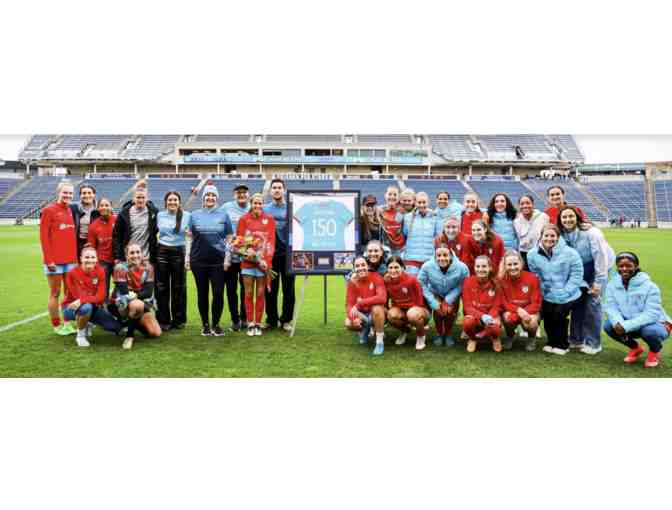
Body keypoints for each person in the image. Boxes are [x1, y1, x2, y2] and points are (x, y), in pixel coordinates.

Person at [558, 205, 615, 355]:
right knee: (577, 302)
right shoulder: (561, 234)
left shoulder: (592, 232)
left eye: (571, 216)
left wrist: (598, 282)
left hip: (598, 267)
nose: (568, 219)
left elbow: (601, 257)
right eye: (564, 217)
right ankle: (576, 339)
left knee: (592, 302)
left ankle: (593, 343)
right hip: (579, 268)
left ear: (577, 217)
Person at [604, 251, 671, 368]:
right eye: (621, 266)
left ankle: (654, 351)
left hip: (656, 324)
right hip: (630, 323)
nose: (624, 269)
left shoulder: (650, 286)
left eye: (628, 266)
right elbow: (611, 307)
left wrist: (626, 326)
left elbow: (652, 314)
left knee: (650, 332)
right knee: (609, 326)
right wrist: (618, 322)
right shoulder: (612, 285)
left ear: (636, 266)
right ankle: (636, 348)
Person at [527, 224, 584, 355]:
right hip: (547, 293)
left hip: (568, 293)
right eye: (546, 235)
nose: (549, 238)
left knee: (559, 314)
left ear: (558, 237)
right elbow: (535, 275)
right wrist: (543, 290)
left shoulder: (571, 253)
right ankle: (551, 342)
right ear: (541, 236)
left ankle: (562, 344)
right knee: (548, 315)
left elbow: (577, 274)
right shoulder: (532, 254)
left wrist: (566, 291)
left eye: (552, 236)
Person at [187, 183, 232, 337]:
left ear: (217, 198)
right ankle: (205, 324)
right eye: (208, 195)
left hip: (218, 262)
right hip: (198, 261)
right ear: (203, 198)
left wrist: (227, 258)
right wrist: (187, 258)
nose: (210, 198)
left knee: (218, 293)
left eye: (213, 195)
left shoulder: (224, 215)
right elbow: (189, 238)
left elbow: (229, 237)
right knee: (202, 294)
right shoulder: (194, 215)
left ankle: (216, 324)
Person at [62, 245, 123, 346]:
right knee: (86, 308)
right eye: (86, 257)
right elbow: (78, 296)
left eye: (93, 257)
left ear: (96, 259)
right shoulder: (72, 273)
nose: (90, 260)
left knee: (115, 327)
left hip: (90, 305)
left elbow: (101, 296)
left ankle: (87, 322)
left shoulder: (100, 271)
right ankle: (80, 335)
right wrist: (84, 300)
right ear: (81, 258)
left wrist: (82, 300)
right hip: (71, 308)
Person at [40, 180, 78, 336]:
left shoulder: (70, 210)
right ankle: (56, 325)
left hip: (71, 261)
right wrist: (49, 260)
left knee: (69, 294)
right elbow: (44, 237)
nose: (67, 195)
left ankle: (67, 323)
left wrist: (75, 259)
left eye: (70, 193)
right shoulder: (48, 210)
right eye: (65, 192)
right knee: (55, 293)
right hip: (54, 262)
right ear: (59, 193)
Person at [110, 242, 162, 350]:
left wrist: (135, 296)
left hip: (139, 301)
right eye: (132, 253)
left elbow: (148, 292)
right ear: (127, 255)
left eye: (138, 252)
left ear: (142, 254)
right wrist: (136, 297)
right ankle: (129, 336)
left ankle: (128, 322)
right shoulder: (120, 267)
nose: (135, 255)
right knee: (137, 305)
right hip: (120, 304)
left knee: (155, 332)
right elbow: (124, 292)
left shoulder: (148, 267)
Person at [238, 193, 276, 337]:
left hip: (263, 264)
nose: (257, 206)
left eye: (260, 203)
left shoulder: (269, 219)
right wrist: (248, 252)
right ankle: (250, 323)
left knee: (260, 294)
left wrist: (265, 260)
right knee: (248, 293)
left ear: (263, 204)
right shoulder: (244, 219)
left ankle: (258, 323)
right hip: (247, 264)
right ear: (251, 203)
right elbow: (240, 242)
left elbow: (271, 242)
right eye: (255, 203)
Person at [418, 245, 469, 347]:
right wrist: (433, 301)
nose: (442, 258)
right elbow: (421, 283)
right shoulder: (427, 266)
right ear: (435, 256)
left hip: (453, 292)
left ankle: (448, 333)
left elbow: (464, 283)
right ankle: (439, 333)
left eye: (445, 255)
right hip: (435, 292)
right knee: (438, 310)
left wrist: (449, 299)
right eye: (439, 255)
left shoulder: (462, 267)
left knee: (450, 311)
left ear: (451, 255)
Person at [155, 191, 190, 331]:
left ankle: (179, 319)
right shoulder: (159, 215)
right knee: (161, 288)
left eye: (175, 200)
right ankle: (163, 320)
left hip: (179, 252)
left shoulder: (187, 216)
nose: (172, 202)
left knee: (179, 287)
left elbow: (191, 236)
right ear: (165, 202)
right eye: (170, 200)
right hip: (162, 251)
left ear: (179, 202)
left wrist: (188, 257)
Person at [264, 179, 295, 332]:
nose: (277, 190)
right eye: (274, 187)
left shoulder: (291, 207)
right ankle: (271, 320)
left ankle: (286, 321)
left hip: (289, 255)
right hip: (271, 256)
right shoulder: (265, 209)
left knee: (288, 290)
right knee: (270, 289)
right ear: (270, 191)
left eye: (279, 187)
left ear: (284, 190)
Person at [497, 250, 542, 351]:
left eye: (515, 264)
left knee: (531, 322)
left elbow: (536, 304)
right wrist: (518, 311)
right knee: (507, 317)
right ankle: (510, 336)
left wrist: (523, 313)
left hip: (529, 311)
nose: (513, 267)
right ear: (505, 266)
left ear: (521, 263)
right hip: (512, 311)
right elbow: (503, 303)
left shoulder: (532, 278)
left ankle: (531, 338)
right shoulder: (501, 279)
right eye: (509, 264)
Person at [220, 183, 250, 331]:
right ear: (234, 194)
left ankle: (244, 318)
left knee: (246, 289)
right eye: (239, 192)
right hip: (230, 257)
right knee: (231, 290)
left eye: (244, 192)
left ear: (248, 194)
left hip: (247, 257)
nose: (241, 194)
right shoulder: (226, 207)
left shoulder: (252, 208)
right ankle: (235, 320)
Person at [384, 256, 430, 350]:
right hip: (401, 310)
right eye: (390, 267)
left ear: (402, 268)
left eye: (396, 267)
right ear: (387, 269)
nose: (393, 270)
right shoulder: (387, 281)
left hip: (419, 310)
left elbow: (420, 302)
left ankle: (421, 336)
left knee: (412, 314)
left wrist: (413, 315)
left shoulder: (412, 280)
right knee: (391, 315)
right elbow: (386, 298)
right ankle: (405, 331)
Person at [345, 256, 387, 355]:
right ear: (354, 269)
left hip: (376, 312)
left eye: (363, 265)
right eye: (357, 266)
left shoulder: (376, 277)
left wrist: (360, 303)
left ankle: (379, 342)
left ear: (367, 266)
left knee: (377, 308)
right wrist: (354, 318)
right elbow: (349, 304)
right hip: (363, 313)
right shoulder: (352, 282)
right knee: (348, 323)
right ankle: (365, 329)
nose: (360, 268)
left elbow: (382, 298)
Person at [461, 255, 503, 353]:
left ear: (490, 268)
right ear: (474, 268)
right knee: (467, 322)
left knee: (495, 326)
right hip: (476, 317)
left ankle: (495, 338)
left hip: (490, 316)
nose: (481, 269)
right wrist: (482, 316)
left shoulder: (496, 283)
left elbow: (497, 306)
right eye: (478, 266)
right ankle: (473, 339)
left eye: (484, 266)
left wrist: (490, 318)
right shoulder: (468, 281)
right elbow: (467, 307)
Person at [112, 183, 159, 265]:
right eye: (138, 197)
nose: (140, 200)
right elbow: (117, 236)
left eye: (143, 197)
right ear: (133, 199)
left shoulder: (154, 212)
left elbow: (156, 232)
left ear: (147, 199)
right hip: (129, 257)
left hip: (146, 257)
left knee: (147, 274)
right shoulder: (124, 214)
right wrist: (118, 256)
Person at [401, 191, 440, 275]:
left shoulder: (434, 217)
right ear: (415, 203)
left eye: (424, 202)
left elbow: (437, 237)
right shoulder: (408, 217)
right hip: (411, 259)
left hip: (428, 259)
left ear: (428, 202)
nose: (422, 205)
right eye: (419, 202)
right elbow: (404, 235)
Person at [87, 197, 116, 300]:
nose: (104, 207)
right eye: (101, 205)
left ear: (111, 207)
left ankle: (118, 307)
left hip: (117, 261)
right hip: (102, 261)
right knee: (103, 291)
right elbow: (91, 248)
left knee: (122, 288)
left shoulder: (117, 220)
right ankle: (104, 308)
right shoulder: (93, 226)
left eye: (106, 205)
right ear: (98, 208)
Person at [513, 195, 549, 267]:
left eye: (528, 203)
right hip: (524, 254)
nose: (525, 206)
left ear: (533, 204)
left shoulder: (543, 217)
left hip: (540, 252)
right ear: (519, 206)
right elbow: (518, 239)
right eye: (522, 204)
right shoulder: (516, 221)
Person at [70, 183, 99, 257]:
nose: (87, 195)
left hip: (95, 242)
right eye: (84, 193)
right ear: (80, 195)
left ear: (94, 194)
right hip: (78, 242)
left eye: (89, 193)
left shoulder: (100, 208)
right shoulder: (73, 208)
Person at [378, 185, 406, 255]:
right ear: (385, 196)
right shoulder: (379, 210)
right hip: (386, 248)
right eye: (390, 194)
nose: (392, 197)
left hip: (401, 249)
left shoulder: (402, 210)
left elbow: (413, 199)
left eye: (395, 195)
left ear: (398, 197)